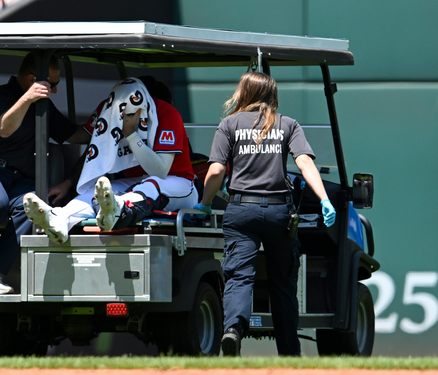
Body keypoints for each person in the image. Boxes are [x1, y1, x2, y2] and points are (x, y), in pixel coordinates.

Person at [193, 71, 336, 357]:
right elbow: (305, 164)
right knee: (283, 283)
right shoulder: (287, 124)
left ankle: (233, 330)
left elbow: (217, 171)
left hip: (241, 211)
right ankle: (290, 354)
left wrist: (205, 203)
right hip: (279, 212)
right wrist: (325, 199)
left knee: (239, 277)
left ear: (243, 93)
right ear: (273, 95)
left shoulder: (229, 124)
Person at [0, 54, 91, 295]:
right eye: (51, 84)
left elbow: (73, 135)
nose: (53, 90)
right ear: (33, 79)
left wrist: (106, 124)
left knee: (34, 207)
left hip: (17, 180)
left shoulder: (44, 106)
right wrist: (28, 99)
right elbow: (4, 128)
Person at [22, 77, 198, 244]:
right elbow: (90, 144)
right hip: (134, 182)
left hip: (177, 181)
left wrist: (130, 134)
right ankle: (59, 220)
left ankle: (117, 210)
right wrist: (39, 107)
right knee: (98, 190)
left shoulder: (166, 113)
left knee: (151, 184)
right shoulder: (111, 107)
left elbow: (160, 171)